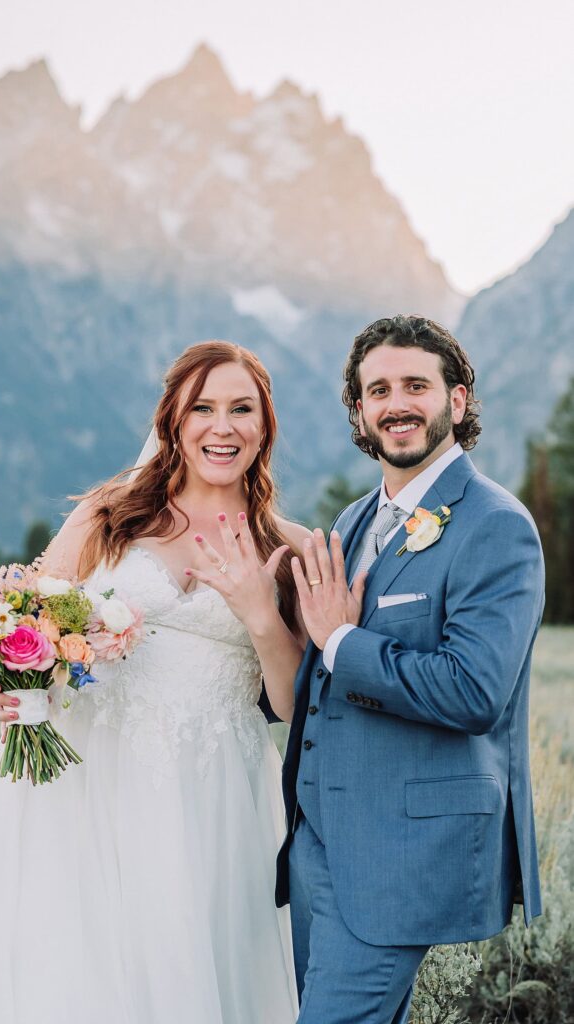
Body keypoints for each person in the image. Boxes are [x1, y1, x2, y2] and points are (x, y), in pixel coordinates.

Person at [0, 341, 309, 1024]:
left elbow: (291, 703)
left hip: (216, 789)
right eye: (203, 408)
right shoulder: (109, 515)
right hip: (89, 776)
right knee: (79, 962)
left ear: (265, 424)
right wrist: (10, 684)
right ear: (173, 423)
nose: (223, 427)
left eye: (242, 409)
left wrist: (260, 617)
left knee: (196, 959)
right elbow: (28, 623)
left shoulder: (289, 547)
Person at [277, 315, 545, 1024]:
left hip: (400, 853)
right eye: (379, 389)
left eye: (416, 385)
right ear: (360, 410)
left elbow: (473, 689)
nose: (397, 403)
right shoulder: (351, 523)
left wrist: (339, 642)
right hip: (318, 846)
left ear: (456, 401)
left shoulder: (495, 524)